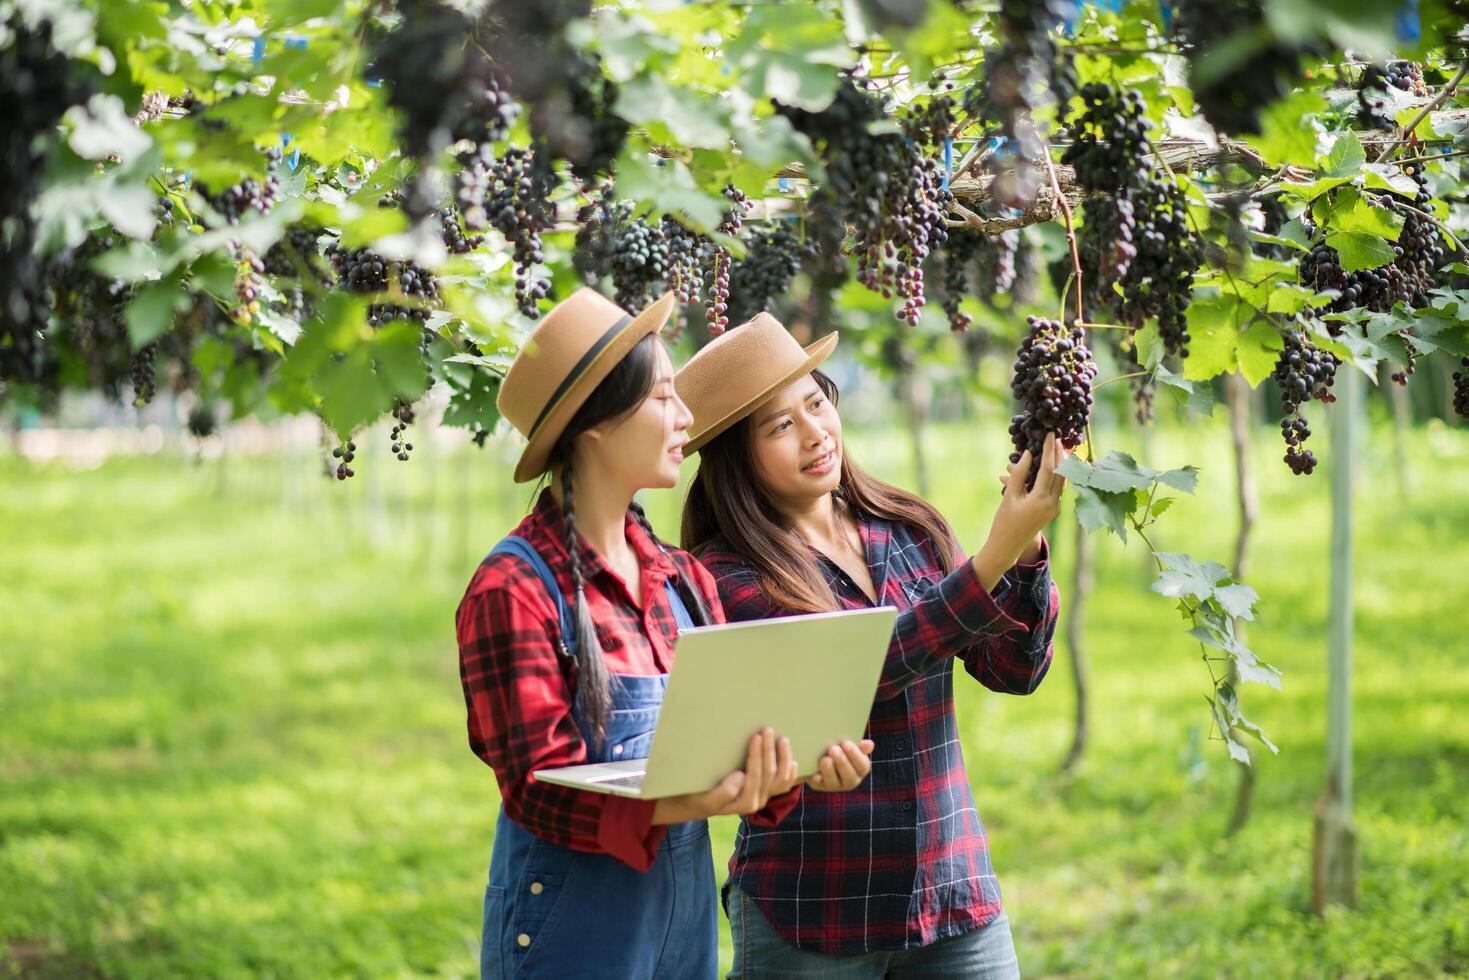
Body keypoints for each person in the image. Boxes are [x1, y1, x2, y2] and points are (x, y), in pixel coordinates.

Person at [456, 290, 872, 980]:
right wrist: (692, 802)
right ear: (592, 425)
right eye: (661, 399)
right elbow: (537, 790)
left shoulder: (681, 578)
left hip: (680, 933)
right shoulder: (515, 589)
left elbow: (723, 740)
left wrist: (786, 768)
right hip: (571, 933)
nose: (686, 419)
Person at [676, 312, 1066, 978]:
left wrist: (1023, 556)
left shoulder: (908, 527)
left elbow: (1011, 670)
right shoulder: (726, 574)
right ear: (736, 458)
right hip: (815, 908)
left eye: (815, 403)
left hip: (951, 893)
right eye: (779, 426)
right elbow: (851, 670)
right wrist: (987, 562)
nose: (814, 432)